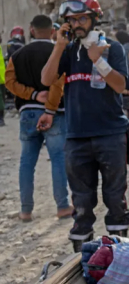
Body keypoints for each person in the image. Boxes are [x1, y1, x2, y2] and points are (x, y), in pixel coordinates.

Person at [41, 0, 129, 252]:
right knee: (81, 205)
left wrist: (99, 62)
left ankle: (121, 254)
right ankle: (82, 261)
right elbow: (46, 80)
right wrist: (58, 45)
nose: (77, 24)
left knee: (116, 201)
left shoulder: (112, 48)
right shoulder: (67, 52)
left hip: (111, 134)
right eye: (72, 20)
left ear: (94, 19)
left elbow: (120, 86)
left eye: (82, 19)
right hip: (77, 137)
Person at [5, 15, 72, 222]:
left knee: (27, 162)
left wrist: (32, 95)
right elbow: (58, 84)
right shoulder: (57, 53)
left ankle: (25, 210)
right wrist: (50, 109)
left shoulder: (17, 55)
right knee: (58, 160)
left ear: (31, 30)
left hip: (27, 112)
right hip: (55, 114)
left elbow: (9, 82)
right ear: (53, 32)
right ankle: (62, 206)